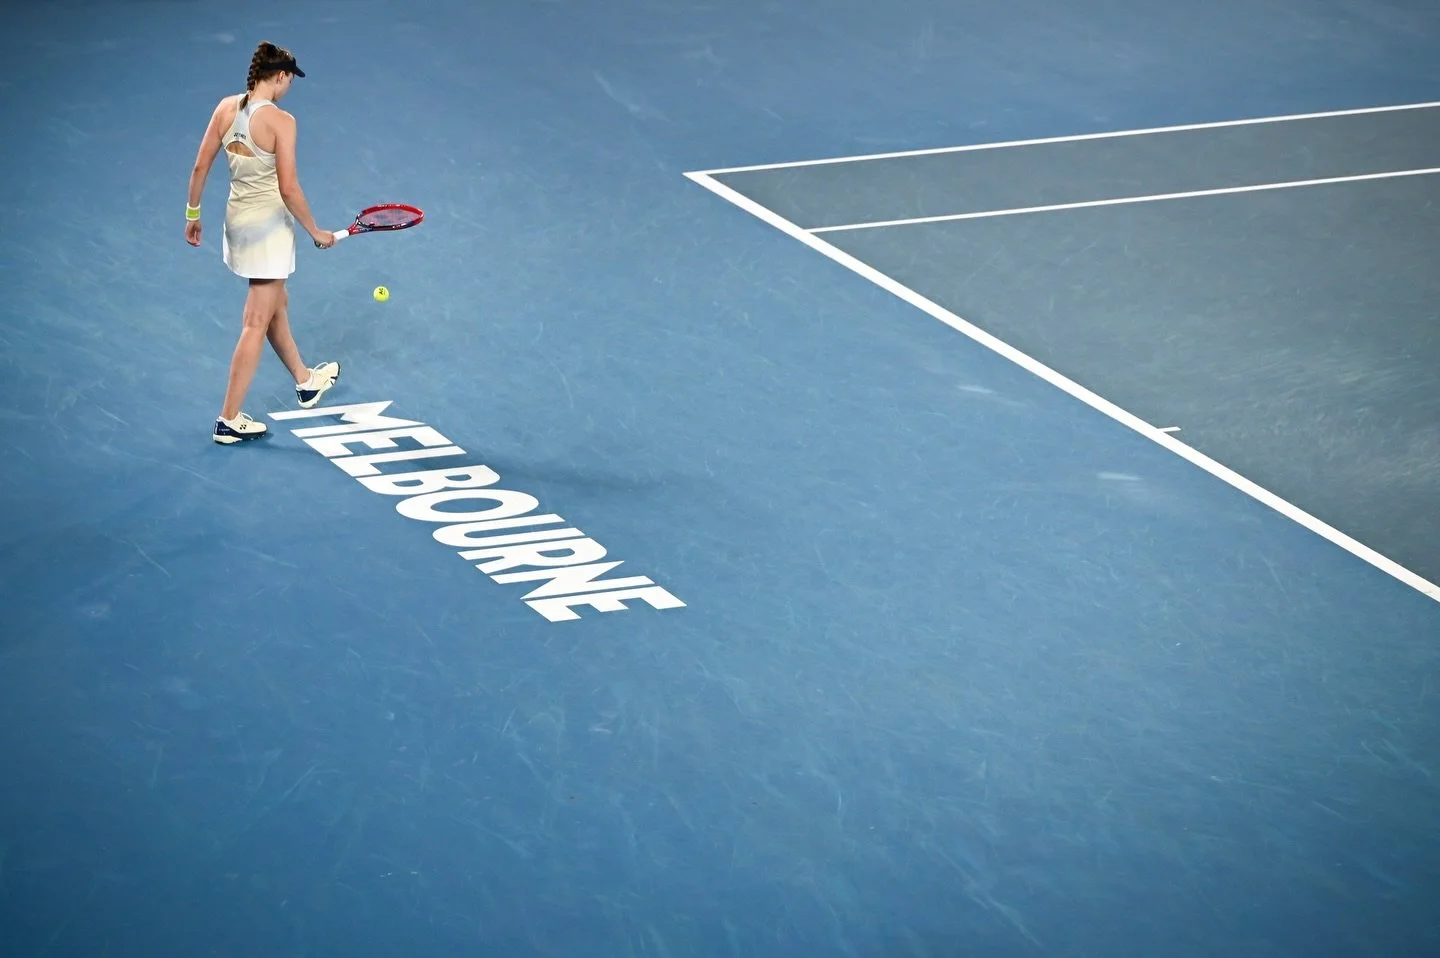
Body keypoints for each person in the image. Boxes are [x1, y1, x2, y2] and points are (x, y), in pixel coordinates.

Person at [185, 41, 340, 444]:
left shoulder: (225, 108)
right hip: (269, 230)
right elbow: (288, 187)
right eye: (291, 80)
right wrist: (316, 231)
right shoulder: (282, 121)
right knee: (256, 320)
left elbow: (201, 164)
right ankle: (228, 418)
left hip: (236, 224)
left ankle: (305, 380)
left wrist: (193, 214)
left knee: (275, 303)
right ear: (282, 75)